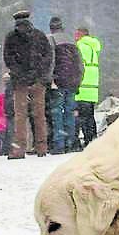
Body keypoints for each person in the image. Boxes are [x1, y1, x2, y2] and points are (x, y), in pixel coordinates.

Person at [2, 10, 52, 159]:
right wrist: (38, 73)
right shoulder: (39, 35)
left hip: (21, 82)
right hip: (36, 81)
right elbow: (48, 56)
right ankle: (41, 147)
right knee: (38, 115)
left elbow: (8, 59)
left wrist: (21, 74)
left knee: (21, 116)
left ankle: (20, 148)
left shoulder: (11, 37)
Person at [47, 16, 84, 154]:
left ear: (51, 27)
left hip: (59, 81)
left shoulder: (51, 39)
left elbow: (52, 61)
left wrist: (50, 79)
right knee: (70, 112)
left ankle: (59, 144)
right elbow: (80, 64)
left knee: (57, 112)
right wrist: (79, 81)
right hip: (73, 82)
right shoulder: (72, 41)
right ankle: (71, 142)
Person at [74, 25, 102, 147]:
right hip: (93, 88)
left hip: (82, 87)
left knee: (82, 117)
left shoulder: (80, 46)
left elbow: (76, 66)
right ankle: (93, 139)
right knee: (90, 116)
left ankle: (84, 141)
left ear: (81, 34)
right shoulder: (93, 48)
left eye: (77, 34)